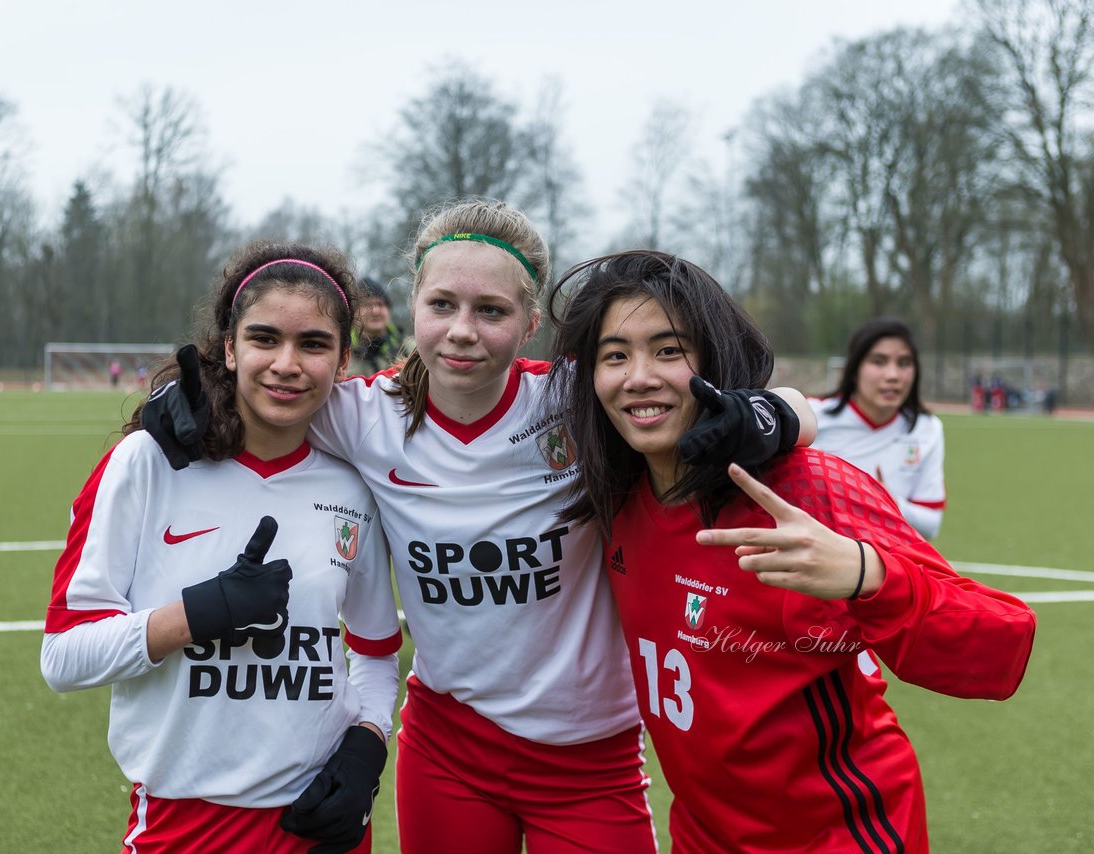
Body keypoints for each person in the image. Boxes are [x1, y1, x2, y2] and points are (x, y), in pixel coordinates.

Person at [140, 199, 813, 854]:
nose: (463, 330)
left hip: (590, 761)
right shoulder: (358, 416)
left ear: (527, 325)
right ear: (414, 306)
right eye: (443, 305)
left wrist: (772, 416)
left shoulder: (578, 403)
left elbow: (803, 412)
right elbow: (260, 393)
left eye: (491, 310)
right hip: (448, 750)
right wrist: (174, 403)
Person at [545, 250, 1037, 854]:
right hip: (702, 837)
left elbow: (999, 644)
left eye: (669, 350)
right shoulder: (614, 495)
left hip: (837, 837)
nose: (639, 376)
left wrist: (866, 574)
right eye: (614, 355)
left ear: (713, 358)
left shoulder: (805, 488)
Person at [40, 242, 403, 853]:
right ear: (230, 348)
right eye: (264, 338)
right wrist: (196, 615)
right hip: (184, 827)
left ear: (344, 360)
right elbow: (64, 656)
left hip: (320, 825)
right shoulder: (145, 463)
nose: (286, 363)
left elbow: (373, 651)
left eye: (313, 344)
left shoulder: (353, 483)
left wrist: (369, 741)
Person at [811, 319, 945, 539]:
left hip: (889, 562)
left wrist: (887, 502)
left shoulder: (927, 429)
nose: (893, 375)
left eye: (904, 363)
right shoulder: (812, 417)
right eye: (878, 361)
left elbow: (930, 525)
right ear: (855, 369)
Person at [347, 276, 414, 376]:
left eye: (380, 304)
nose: (375, 311)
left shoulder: (411, 349)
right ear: (355, 311)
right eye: (367, 305)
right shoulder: (343, 352)